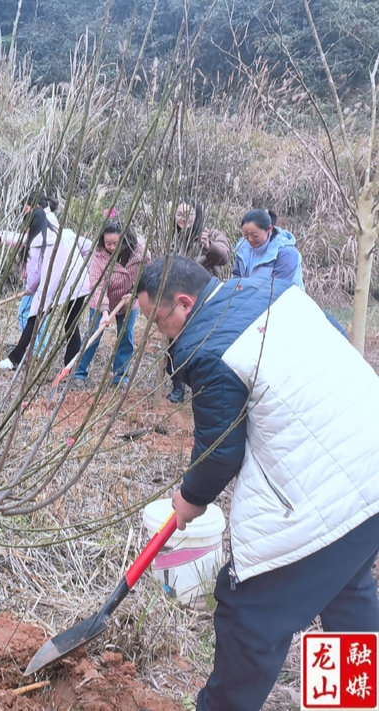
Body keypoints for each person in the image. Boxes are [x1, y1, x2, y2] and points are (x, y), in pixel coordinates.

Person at [135, 255, 379, 711]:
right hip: (370, 465)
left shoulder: (208, 347)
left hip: (326, 491)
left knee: (248, 613)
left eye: (157, 320)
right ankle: (350, 701)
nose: (156, 335)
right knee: (347, 589)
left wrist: (189, 499)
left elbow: (220, 452)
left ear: (184, 304)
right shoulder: (272, 291)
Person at [0, 205, 91, 370]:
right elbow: (88, 246)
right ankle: (72, 367)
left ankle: (14, 359)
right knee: (71, 325)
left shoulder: (38, 243)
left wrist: (30, 289)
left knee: (33, 320)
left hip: (53, 286)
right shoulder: (66, 233)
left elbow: (34, 275)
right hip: (79, 283)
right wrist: (85, 269)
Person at [166, 200, 232, 402]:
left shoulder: (211, 235)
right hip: (176, 300)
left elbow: (224, 257)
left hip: (205, 298)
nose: (183, 219)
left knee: (204, 343)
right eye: (179, 214)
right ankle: (177, 387)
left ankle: (204, 387)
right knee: (175, 344)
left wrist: (208, 247)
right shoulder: (170, 238)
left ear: (198, 215)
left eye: (189, 214)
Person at [74, 221, 148, 386]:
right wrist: (105, 313)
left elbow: (148, 275)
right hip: (102, 302)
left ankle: (120, 376)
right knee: (93, 335)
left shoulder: (140, 252)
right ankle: (79, 372)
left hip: (128, 300)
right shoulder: (100, 256)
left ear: (126, 239)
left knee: (126, 337)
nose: (112, 247)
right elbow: (98, 286)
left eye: (116, 243)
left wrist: (136, 293)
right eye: (108, 243)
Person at [232, 208, 304, 289]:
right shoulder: (242, 247)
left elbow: (278, 289)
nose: (250, 239)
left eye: (255, 235)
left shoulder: (286, 253)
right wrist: (239, 292)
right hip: (250, 298)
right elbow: (237, 279)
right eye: (245, 235)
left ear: (269, 229)